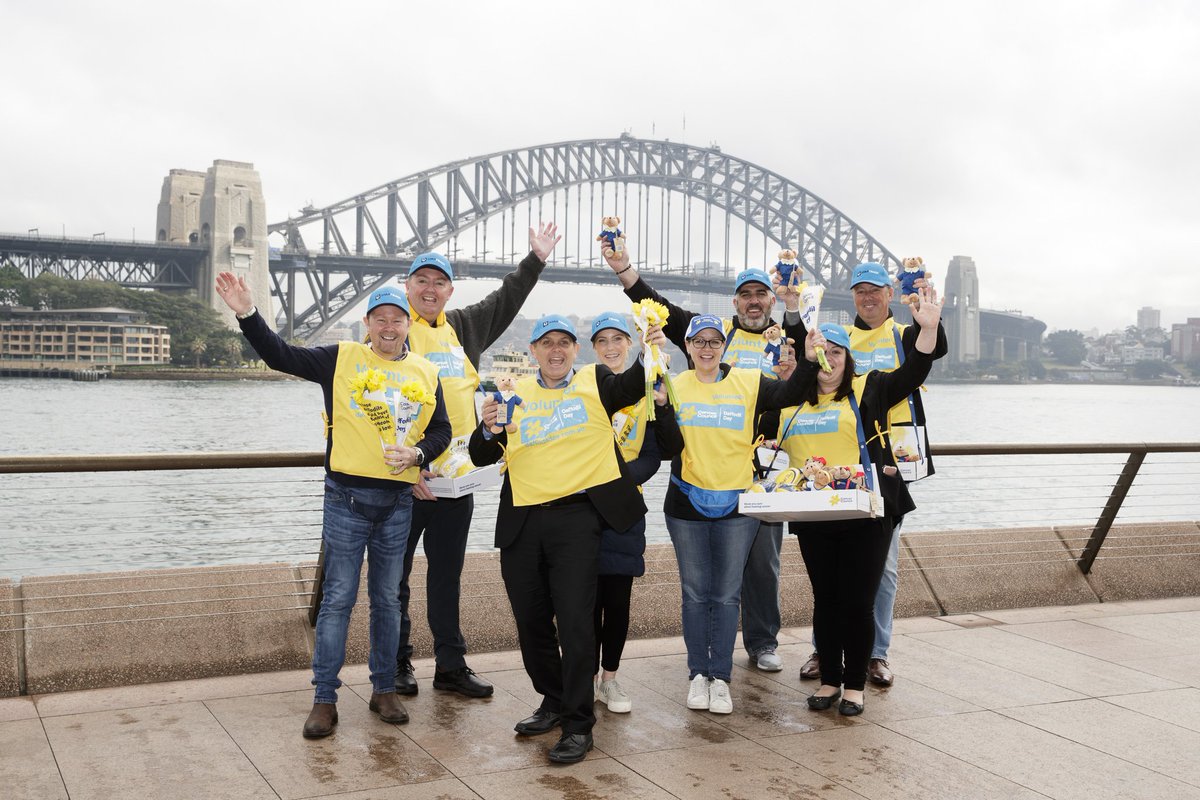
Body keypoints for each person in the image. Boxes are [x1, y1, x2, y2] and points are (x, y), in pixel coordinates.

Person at [214, 273, 451, 739]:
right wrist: (247, 312)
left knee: (387, 599)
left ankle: (384, 689)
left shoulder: (425, 371)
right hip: (345, 499)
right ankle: (324, 699)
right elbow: (281, 355)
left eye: (397, 319)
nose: (388, 327)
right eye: (379, 319)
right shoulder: (340, 358)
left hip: (398, 501)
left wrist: (419, 454)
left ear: (408, 324)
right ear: (366, 323)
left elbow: (440, 429)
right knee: (337, 601)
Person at [468, 314, 671, 764]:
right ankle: (553, 699)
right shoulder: (512, 391)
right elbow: (481, 452)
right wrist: (489, 428)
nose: (556, 351)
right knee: (531, 621)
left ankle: (579, 723)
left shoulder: (595, 382)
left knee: (577, 626)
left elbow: (635, 383)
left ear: (575, 350)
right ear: (533, 351)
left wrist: (649, 346)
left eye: (564, 343)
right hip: (522, 520)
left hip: (578, 520)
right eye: (546, 343)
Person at [602, 241, 793, 674]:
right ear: (735, 303)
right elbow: (659, 307)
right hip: (709, 471)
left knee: (763, 563)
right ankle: (705, 663)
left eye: (761, 294)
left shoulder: (786, 335)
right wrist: (625, 270)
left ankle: (762, 642)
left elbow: (806, 380)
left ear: (771, 300)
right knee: (711, 582)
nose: (754, 301)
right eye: (746, 294)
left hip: (769, 464)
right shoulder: (710, 331)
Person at [394, 223, 562, 700]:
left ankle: (449, 665)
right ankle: (396, 662)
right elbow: (376, 408)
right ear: (408, 287)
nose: (430, 290)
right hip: (407, 480)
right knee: (394, 580)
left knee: (447, 578)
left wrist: (536, 259)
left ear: (450, 289)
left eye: (439, 282)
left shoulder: (463, 326)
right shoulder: (391, 328)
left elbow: (506, 298)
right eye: (421, 281)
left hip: (455, 482)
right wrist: (408, 471)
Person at [784, 285, 943, 716]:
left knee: (858, 601)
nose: (828, 359)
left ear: (847, 358)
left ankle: (854, 685)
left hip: (868, 514)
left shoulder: (868, 388)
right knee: (826, 600)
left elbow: (913, 373)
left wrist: (926, 329)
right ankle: (830, 680)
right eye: (821, 351)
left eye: (837, 352)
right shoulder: (793, 401)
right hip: (816, 516)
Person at [652, 312, 811, 715]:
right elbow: (666, 446)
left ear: (725, 346)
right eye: (699, 342)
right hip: (686, 502)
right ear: (686, 347)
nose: (707, 349)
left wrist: (808, 356)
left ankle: (719, 677)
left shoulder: (749, 380)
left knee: (725, 595)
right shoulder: (672, 384)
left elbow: (795, 392)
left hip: (738, 504)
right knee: (694, 594)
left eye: (714, 341)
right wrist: (662, 405)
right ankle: (697, 675)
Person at [588, 312, 678, 714]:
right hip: (583, 506)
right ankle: (584, 674)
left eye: (618, 339)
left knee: (618, 598)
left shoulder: (649, 386)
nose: (610, 347)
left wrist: (619, 479)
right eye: (602, 340)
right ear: (592, 348)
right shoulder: (581, 388)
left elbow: (656, 452)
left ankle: (610, 678)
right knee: (582, 599)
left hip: (625, 507)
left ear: (630, 344)